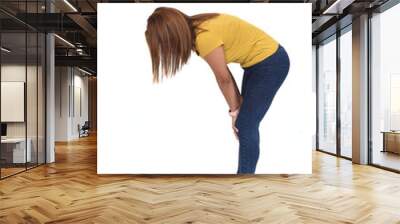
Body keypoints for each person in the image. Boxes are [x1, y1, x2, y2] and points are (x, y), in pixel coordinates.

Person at [145, 7, 290, 174]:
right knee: (244, 124)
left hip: (271, 63)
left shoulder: (204, 38)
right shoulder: (199, 25)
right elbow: (226, 77)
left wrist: (236, 114)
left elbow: (224, 79)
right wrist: (236, 111)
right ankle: (244, 177)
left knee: (247, 125)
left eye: (164, 43)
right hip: (257, 64)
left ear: (172, 35)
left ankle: (244, 180)